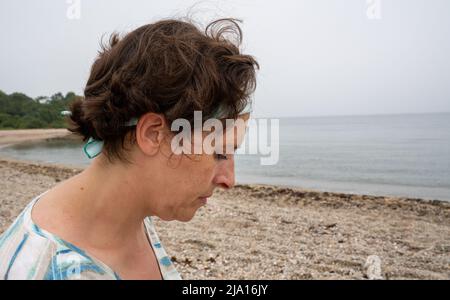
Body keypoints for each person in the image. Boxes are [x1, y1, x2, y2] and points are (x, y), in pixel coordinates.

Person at [0, 17, 258, 280]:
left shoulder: (130, 216)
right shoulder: (47, 269)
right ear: (152, 133)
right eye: (219, 152)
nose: (229, 180)